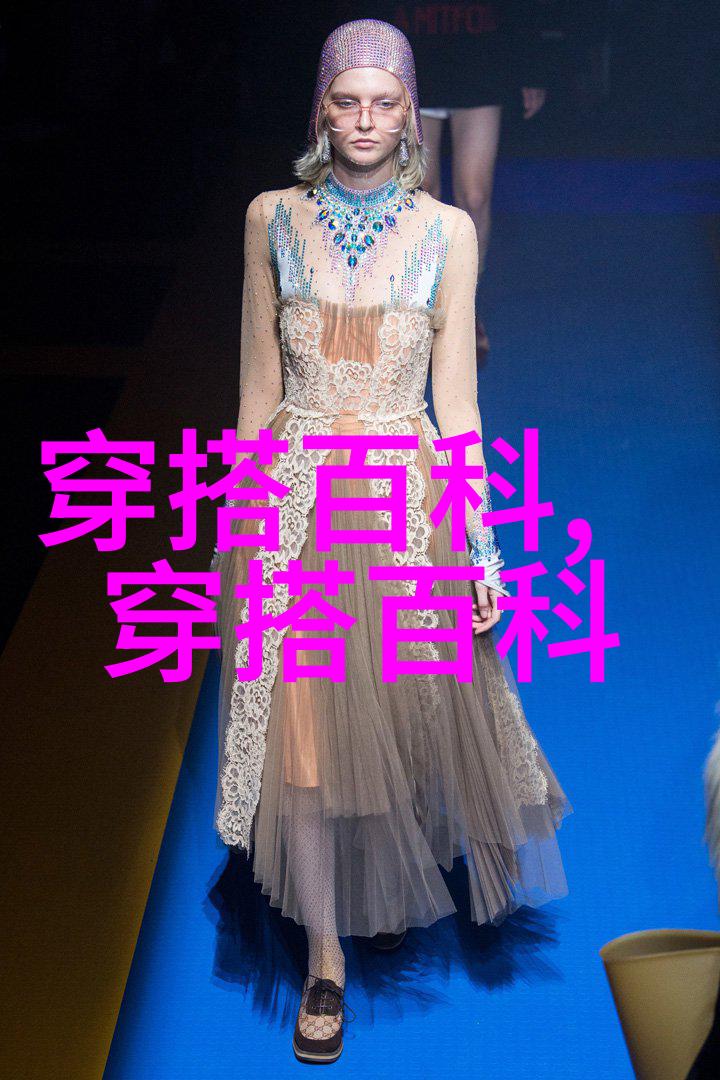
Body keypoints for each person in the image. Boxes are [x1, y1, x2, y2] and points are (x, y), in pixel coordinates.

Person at [210, 18, 572, 1065]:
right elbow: (256, 392)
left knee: (402, 718)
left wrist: (483, 546)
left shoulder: (448, 233)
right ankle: (325, 959)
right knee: (306, 739)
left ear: (411, 112)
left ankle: (386, 882)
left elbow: (457, 408)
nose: (364, 121)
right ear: (321, 109)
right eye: (346, 102)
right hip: (293, 506)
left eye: (383, 103)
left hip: (404, 507)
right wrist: (240, 528)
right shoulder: (271, 218)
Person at [338, 0, 552, 358]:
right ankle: (424, 306)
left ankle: (465, 310)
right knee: (422, 192)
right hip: (415, 62)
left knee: (476, 196)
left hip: (482, 62)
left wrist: (533, 69)